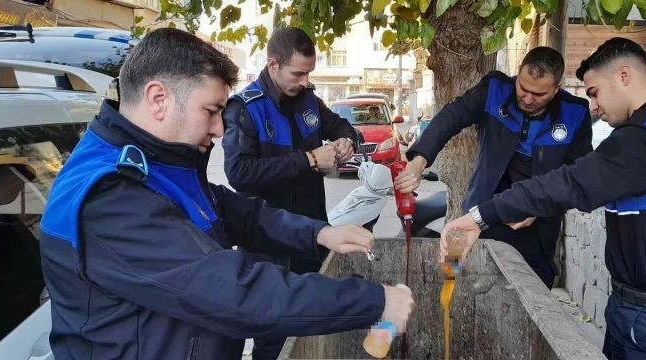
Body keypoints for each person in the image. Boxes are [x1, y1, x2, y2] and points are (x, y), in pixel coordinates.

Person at [39, 28, 414, 360]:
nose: (220, 129)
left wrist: (317, 232)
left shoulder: (160, 161)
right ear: (158, 99)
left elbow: (234, 210)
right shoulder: (110, 197)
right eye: (212, 111)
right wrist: (374, 301)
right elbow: (234, 292)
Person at [441, 37, 646, 359]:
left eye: (595, 92)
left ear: (623, 76)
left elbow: (564, 184)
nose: (594, 107)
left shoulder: (642, 141)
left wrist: (478, 216)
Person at [394, 47, 592, 288]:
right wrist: (418, 160)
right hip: (481, 212)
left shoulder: (575, 114)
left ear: (557, 88)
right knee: (461, 283)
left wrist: (540, 208)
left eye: (539, 94)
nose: (528, 99)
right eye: (523, 88)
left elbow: (577, 177)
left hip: (536, 225)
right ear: (517, 74)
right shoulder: (494, 91)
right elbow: (451, 117)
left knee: (531, 294)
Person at [223, 27, 360, 274]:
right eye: (298, 74)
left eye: (308, 73)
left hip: (312, 236)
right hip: (267, 245)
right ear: (273, 65)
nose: (305, 82)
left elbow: (341, 126)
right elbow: (239, 173)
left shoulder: (308, 100)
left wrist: (347, 141)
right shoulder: (245, 108)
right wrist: (309, 159)